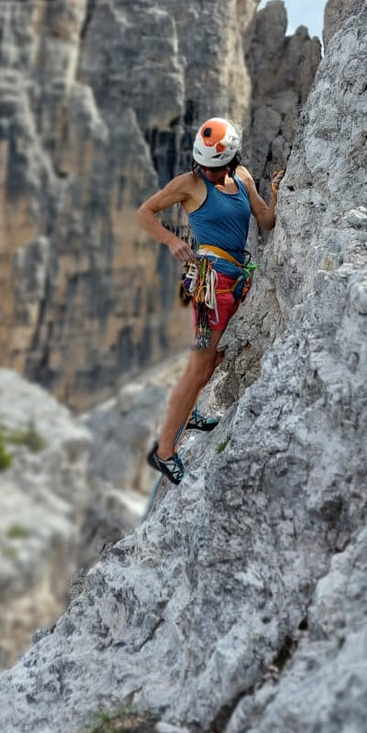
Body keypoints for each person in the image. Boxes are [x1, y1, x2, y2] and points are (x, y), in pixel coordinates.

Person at [135, 116, 283, 485]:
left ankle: (191, 413)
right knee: (199, 367)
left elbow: (264, 221)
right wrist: (171, 240)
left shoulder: (244, 177)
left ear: (232, 161)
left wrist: (277, 194)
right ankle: (164, 452)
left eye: (217, 168)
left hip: (235, 278)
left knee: (213, 358)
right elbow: (145, 213)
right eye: (205, 166)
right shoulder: (189, 184)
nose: (209, 172)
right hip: (210, 282)